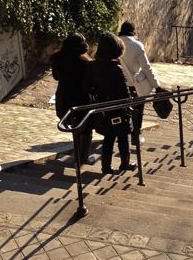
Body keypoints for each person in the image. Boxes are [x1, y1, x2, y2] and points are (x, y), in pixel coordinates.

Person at [83, 32, 135, 174]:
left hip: (103, 108)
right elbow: (124, 92)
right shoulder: (116, 68)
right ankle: (125, 163)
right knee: (123, 136)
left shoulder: (93, 66)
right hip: (118, 107)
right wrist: (130, 104)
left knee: (109, 137)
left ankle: (106, 167)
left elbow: (88, 87)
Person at [50, 33, 93, 164]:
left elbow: (56, 77)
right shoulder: (84, 63)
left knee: (75, 126)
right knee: (85, 127)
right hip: (81, 96)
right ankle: (83, 158)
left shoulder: (56, 58)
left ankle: (78, 156)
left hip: (64, 96)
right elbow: (89, 82)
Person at [118, 21, 159, 145]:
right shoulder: (137, 45)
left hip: (119, 82)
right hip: (134, 84)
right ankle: (135, 137)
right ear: (133, 31)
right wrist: (156, 85)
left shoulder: (115, 42)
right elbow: (146, 67)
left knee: (121, 110)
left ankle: (121, 138)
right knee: (137, 111)